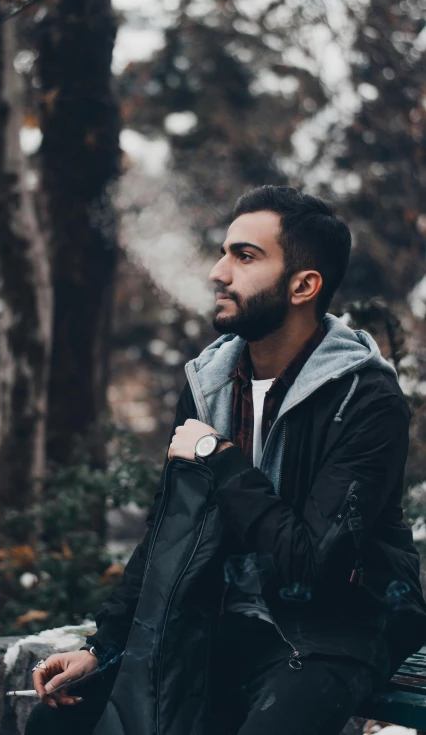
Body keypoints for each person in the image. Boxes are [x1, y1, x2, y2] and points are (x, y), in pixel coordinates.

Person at [25, 185, 426, 735]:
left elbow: (311, 567)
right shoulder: (210, 384)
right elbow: (169, 528)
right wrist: (104, 646)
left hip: (338, 629)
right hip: (221, 620)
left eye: (245, 256)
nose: (218, 272)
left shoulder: (365, 399)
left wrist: (220, 457)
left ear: (304, 285)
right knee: (59, 726)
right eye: (223, 252)